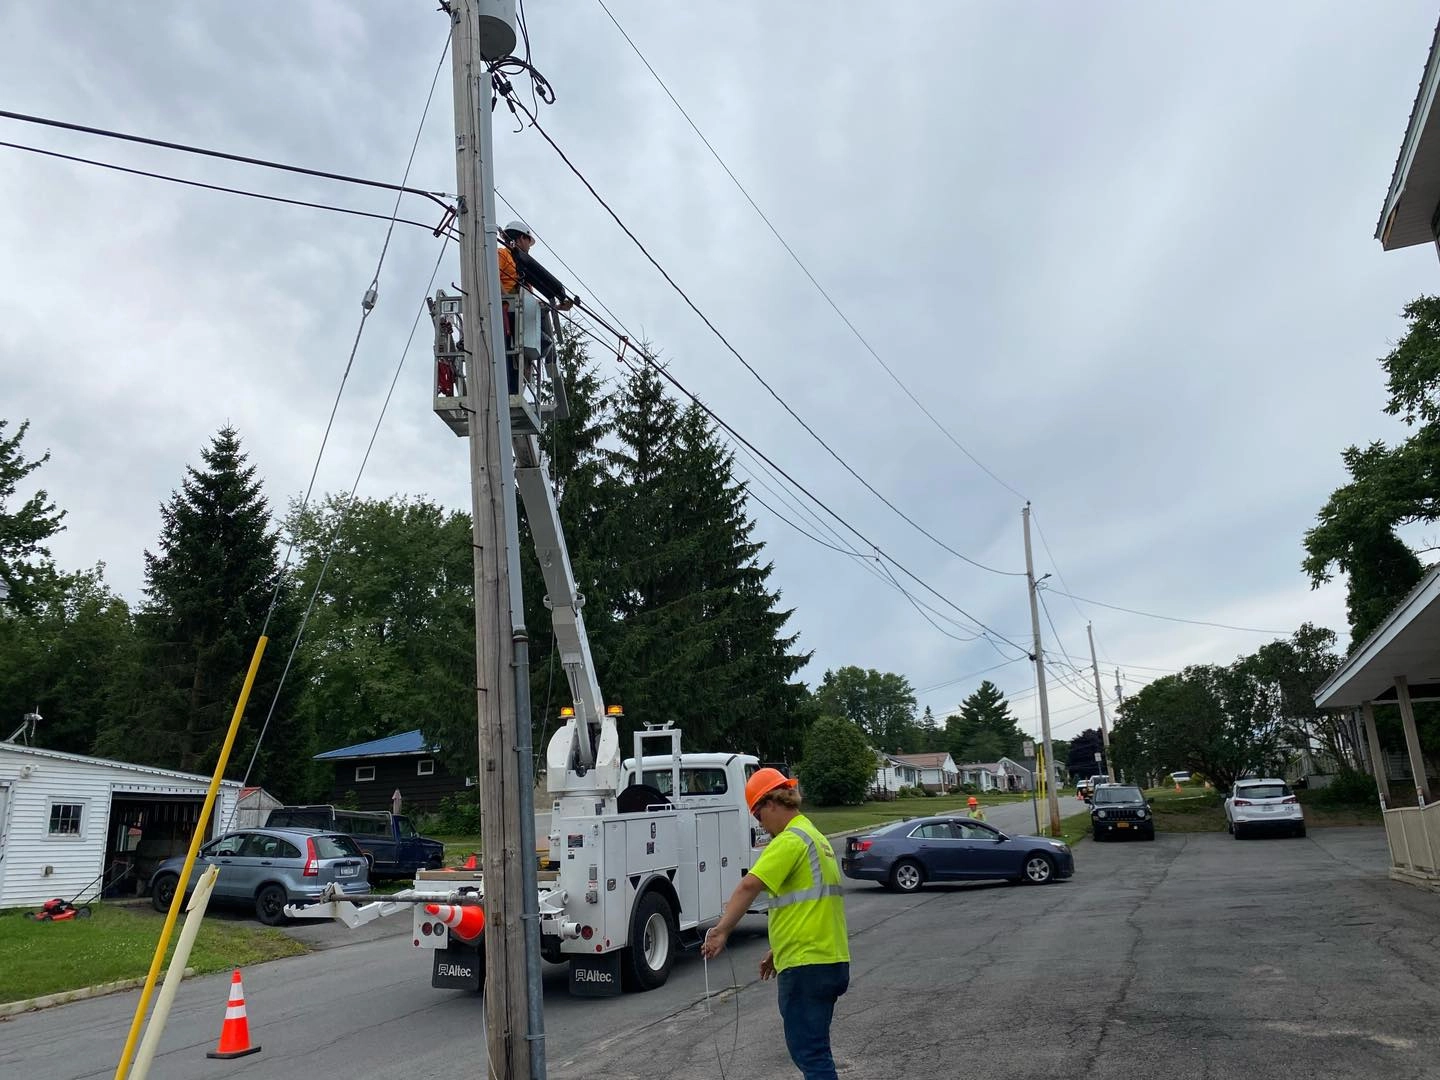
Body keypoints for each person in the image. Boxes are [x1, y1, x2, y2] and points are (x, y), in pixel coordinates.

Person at [701, 768, 850, 1080]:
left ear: (771, 803)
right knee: (817, 1049)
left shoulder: (789, 841)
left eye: (758, 815)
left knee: (811, 1054)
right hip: (829, 959)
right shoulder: (815, 838)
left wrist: (721, 931)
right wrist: (777, 949)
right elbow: (812, 908)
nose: (760, 824)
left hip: (806, 966)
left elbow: (749, 886)